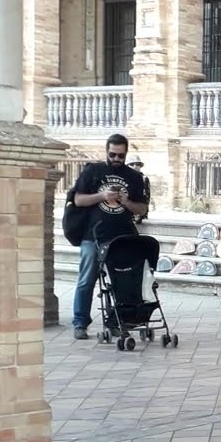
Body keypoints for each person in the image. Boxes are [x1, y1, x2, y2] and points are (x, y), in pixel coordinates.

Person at [70, 134, 148, 340]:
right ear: (106, 151)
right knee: (87, 279)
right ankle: (80, 322)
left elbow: (141, 208)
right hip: (93, 235)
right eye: (112, 154)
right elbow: (78, 200)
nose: (116, 159)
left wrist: (125, 201)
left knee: (121, 281)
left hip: (122, 237)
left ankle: (116, 322)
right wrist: (102, 196)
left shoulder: (133, 177)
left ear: (126, 154)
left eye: (120, 156)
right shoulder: (93, 171)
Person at [126, 154, 150, 223]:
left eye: (137, 164)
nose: (135, 166)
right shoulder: (123, 177)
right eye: (132, 164)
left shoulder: (144, 178)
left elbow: (147, 195)